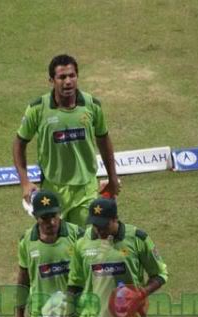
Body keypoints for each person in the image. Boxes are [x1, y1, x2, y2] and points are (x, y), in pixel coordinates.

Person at [12, 54, 121, 227]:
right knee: (57, 242)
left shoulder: (91, 105)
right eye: (62, 77)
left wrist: (113, 178)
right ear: (51, 80)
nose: (68, 81)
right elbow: (19, 143)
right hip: (52, 190)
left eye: (72, 76)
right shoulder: (38, 109)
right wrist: (25, 182)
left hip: (86, 189)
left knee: (86, 243)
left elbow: (103, 139)